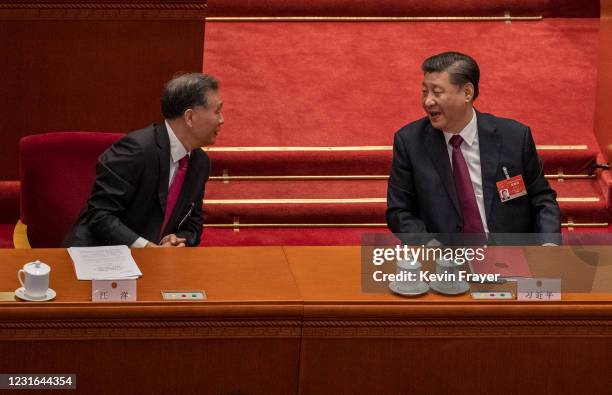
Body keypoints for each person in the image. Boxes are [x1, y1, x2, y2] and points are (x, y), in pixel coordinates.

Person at [386, 52, 560, 237]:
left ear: (467, 93)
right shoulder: (410, 142)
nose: (428, 101)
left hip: (511, 255)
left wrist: (548, 246)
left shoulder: (515, 137)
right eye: (424, 92)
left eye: (437, 92)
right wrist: (430, 247)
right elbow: (400, 211)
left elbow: (542, 199)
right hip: (446, 258)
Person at [62, 73, 224, 247]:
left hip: (154, 263)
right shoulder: (135, 149)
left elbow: (193, 225)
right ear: (190, 117)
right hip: (101, 256)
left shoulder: (200, 163)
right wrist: (145, 247)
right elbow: (99, 215)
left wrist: (177, 239)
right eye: (217, 111)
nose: (222, 120)